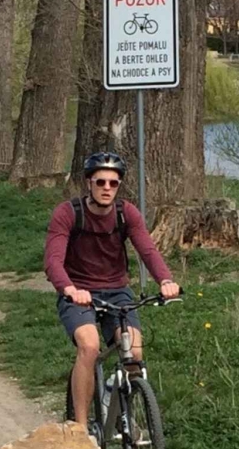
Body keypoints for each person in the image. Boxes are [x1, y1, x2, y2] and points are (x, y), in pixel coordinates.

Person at [44, 152, 181, 432]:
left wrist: (165, 280)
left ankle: (113, 393)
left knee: (135, 353)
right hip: (78, 292)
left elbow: (147, 249)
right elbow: (53, 261)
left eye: (113, 183)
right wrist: (69, 288)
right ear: (89, 183)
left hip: (117, 291)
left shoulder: (126, 213)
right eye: (101, 182)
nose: (107, 188)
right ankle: (81, 429)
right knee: (90, 346)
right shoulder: (68, 213)